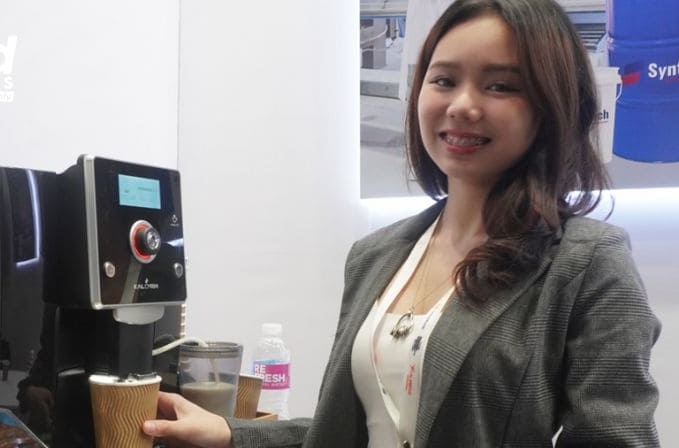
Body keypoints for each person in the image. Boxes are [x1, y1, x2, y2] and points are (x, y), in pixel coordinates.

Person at [143, 0, 661, 446]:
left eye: (500, 86)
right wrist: (233, 432)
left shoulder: (587, 263)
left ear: (551, 106)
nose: (462, 105)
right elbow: (350, 430)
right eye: (443, 80)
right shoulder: (378, 254)